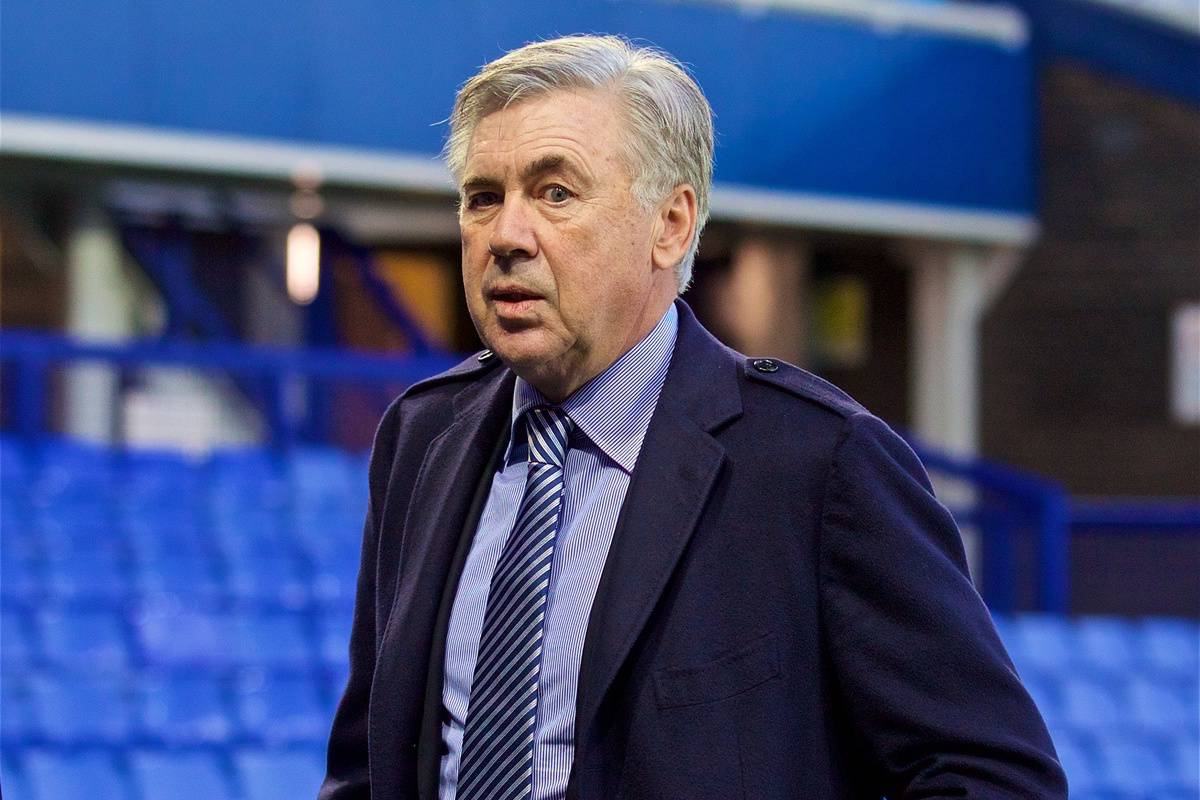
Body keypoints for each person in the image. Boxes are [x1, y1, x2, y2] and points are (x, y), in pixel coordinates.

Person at [320, 34, 1067, 800]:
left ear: (670, 224)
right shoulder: (420, 437)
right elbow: (364, 771)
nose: (507, 235)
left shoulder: (818, 462)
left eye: (555, 193)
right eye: (484, 197)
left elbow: (993, 777)